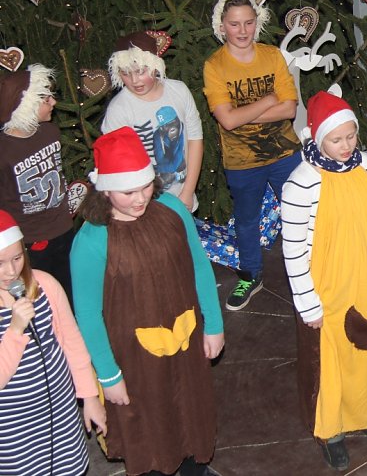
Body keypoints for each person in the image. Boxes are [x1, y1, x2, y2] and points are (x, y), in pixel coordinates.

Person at [71, 127, 224, 476]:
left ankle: (192, 466)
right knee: (150, 419)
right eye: (128, 192)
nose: (140, 198)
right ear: (105, 189)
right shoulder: (92, 241)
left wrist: (213, 323)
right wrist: (108, 376)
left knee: (189, 408)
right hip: (133, 357)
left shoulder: (171, 208)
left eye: (144, 186)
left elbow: (199, 265)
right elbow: (88, 315)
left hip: (185, 340)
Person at [282, 90, 367, 471]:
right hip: (327, 288)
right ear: (317, 138)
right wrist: (307, 301)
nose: (345, 146)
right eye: (336, 140)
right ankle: (332, 430)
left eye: (351, 136)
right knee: (332, 359)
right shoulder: (302, 182)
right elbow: (293, 250)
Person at [203, 0, 302, 311]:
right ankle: (251, 275)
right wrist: (267, 100)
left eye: (248, 22)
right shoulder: (215, 66)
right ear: (222, 26)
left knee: (302, 214)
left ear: (257, 22)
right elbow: (227, 121)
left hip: (285, 153)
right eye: (235, 24)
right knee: (246, 221)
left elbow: (289, 109)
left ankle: (312, 271)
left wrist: (244, 111)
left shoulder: (272, 56)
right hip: (242, 161)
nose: (242, 31)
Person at [0, 209, 106, 475]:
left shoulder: (44, 285)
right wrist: (15, 331)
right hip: (12, 431)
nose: (11, 271)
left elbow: (72, 344)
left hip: (59, 416)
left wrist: (89, 397)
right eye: (0, 263)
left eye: (16, 258)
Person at [0, 64, 76, 307]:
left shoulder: (50, 132)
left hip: (64, 229)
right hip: (31, 242)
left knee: (70, 293)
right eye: (45, 98)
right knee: (41, 300)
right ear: (26, 106)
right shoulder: (4, 151)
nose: (53, 102)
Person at [103, 31, 204, 212]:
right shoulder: (118, 110)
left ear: (155, 65)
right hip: (143, 206)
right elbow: (116, 168)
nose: (134, 80)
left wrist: (188, 192)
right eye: (125, 73)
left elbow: (195, 139)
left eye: (141, 71)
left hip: (183, 197)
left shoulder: (179, 91)